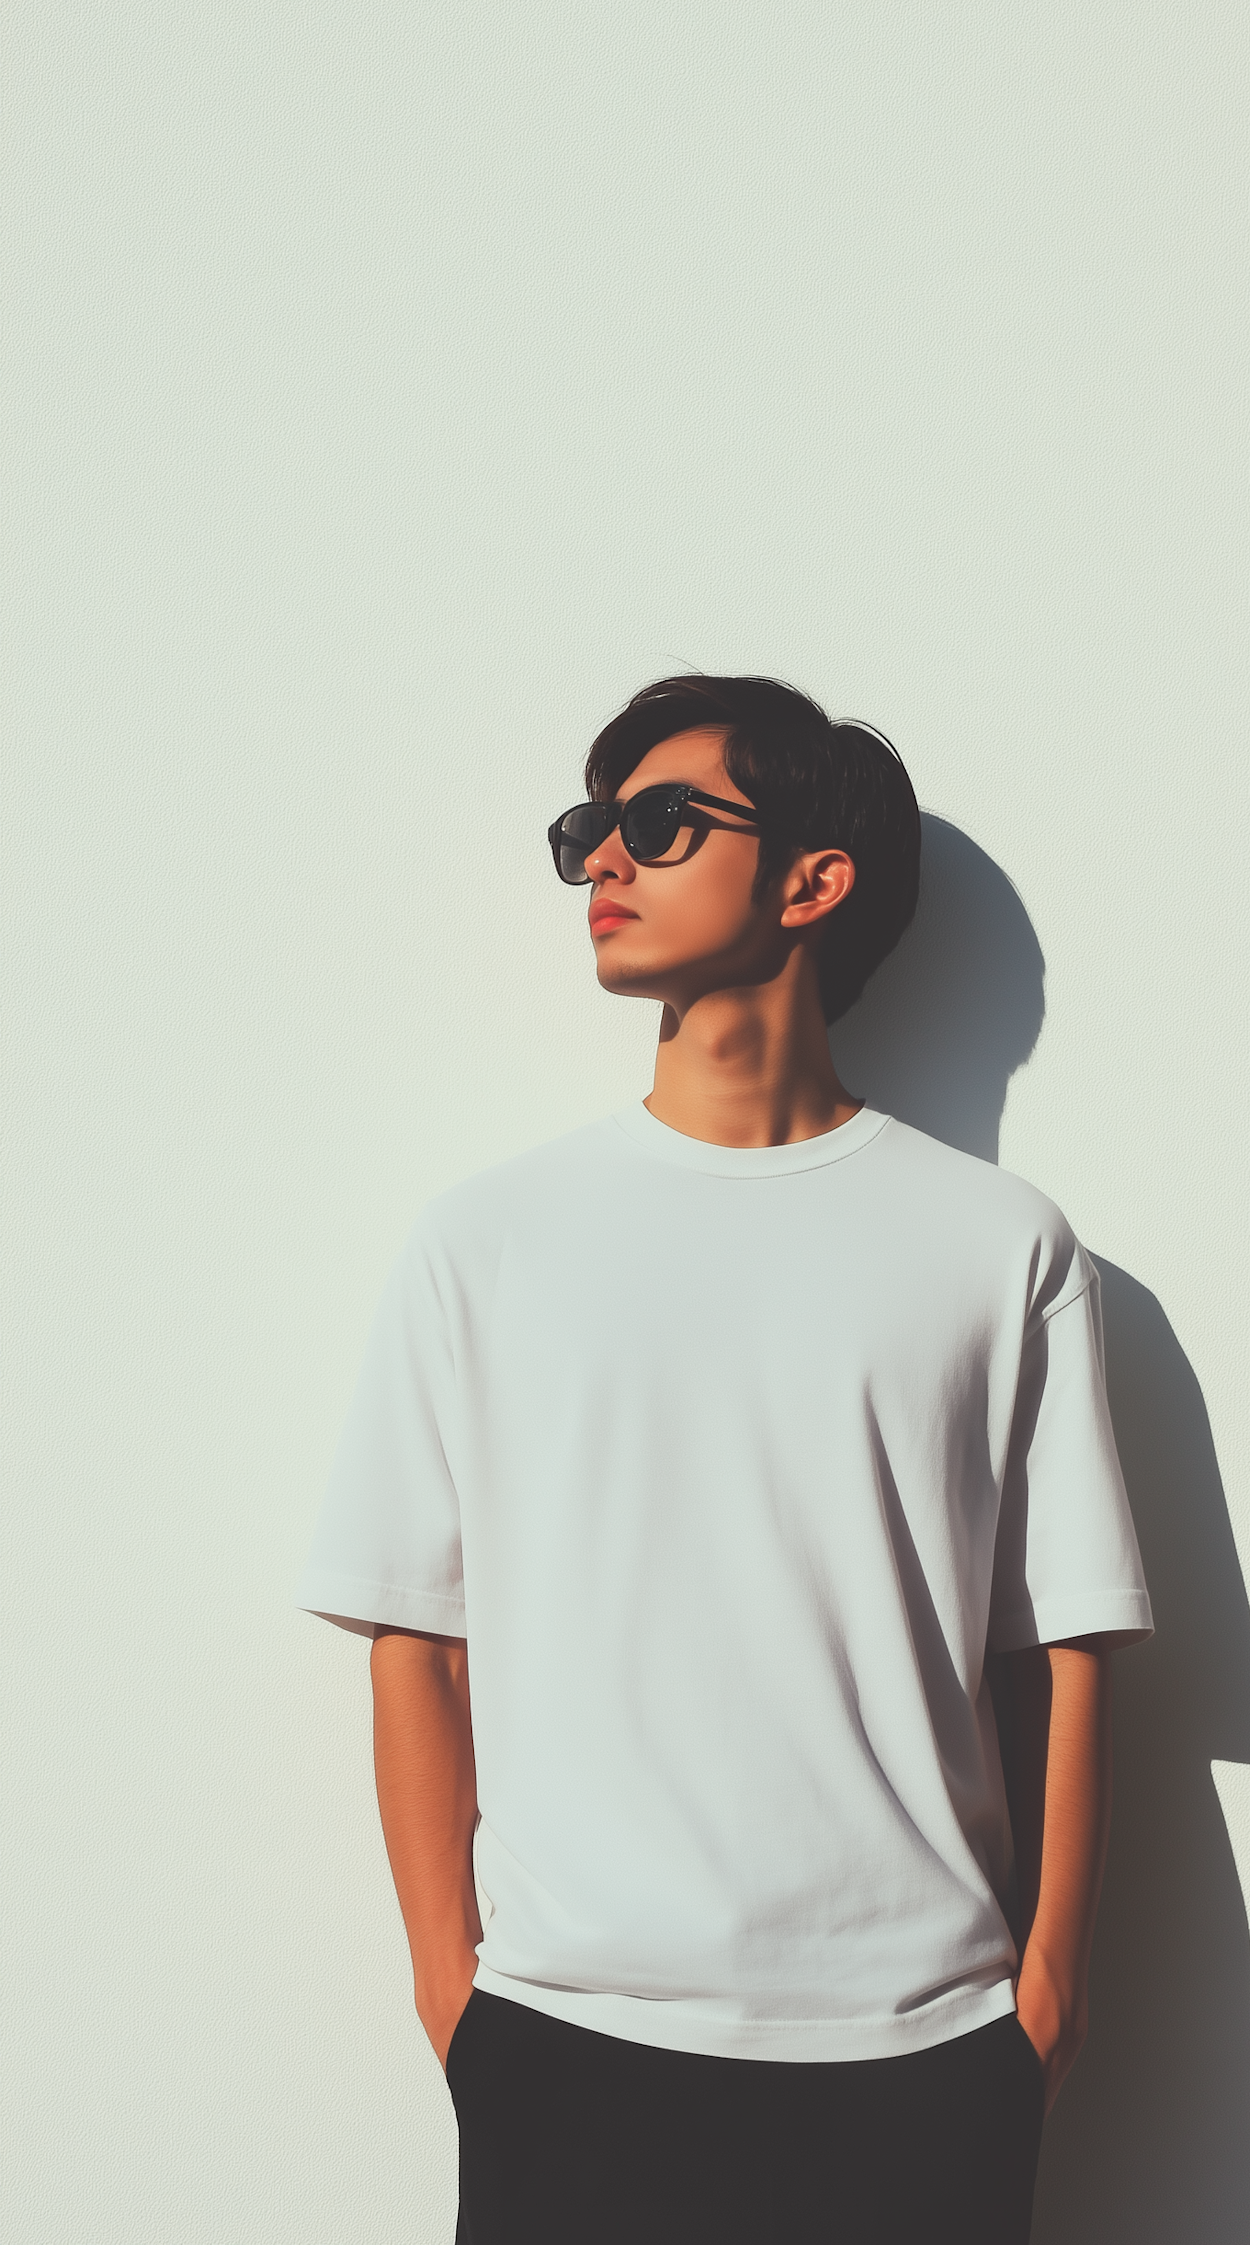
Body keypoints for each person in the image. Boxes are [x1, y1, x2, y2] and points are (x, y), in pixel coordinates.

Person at [297, 672, 1151, 2244]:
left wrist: (1047, 2001)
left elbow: (1070, 1646)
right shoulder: (488, 1242)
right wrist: (454, 1998)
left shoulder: (1000, 1247)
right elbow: (413, 1636)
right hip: (569, 2047)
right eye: (588, 832)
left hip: (924, 2054)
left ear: (813, 882)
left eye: (661, 822)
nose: (604, 860)